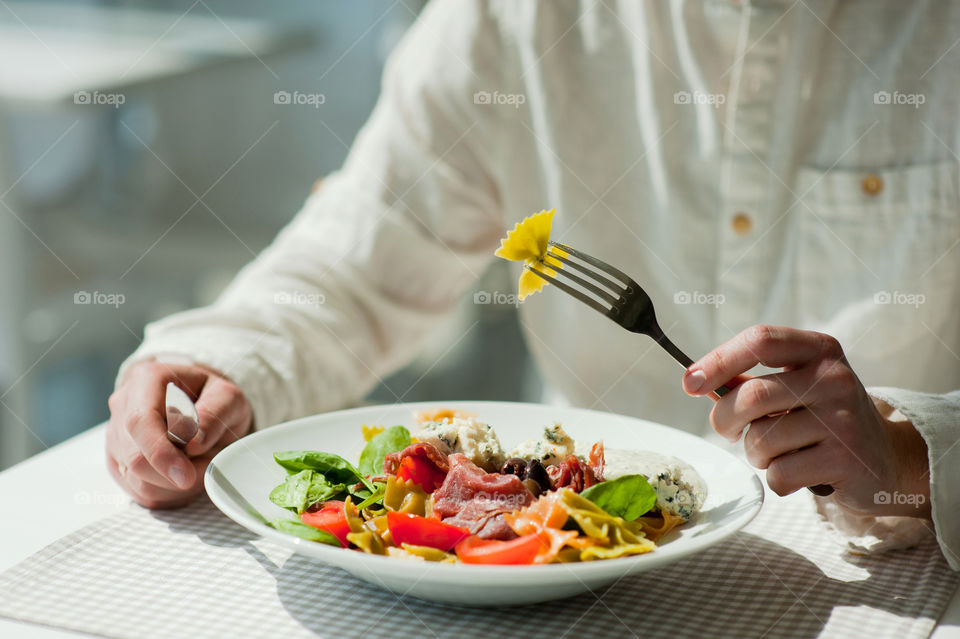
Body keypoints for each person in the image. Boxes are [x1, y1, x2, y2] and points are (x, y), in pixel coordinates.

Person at [106, 1, 959, 568]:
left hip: (902, 569)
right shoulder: (504, 20)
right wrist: (223, 364)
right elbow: (357, 255)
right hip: (550, 576)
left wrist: (913, 456)